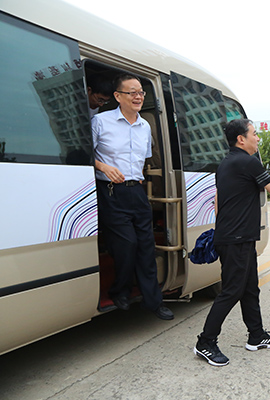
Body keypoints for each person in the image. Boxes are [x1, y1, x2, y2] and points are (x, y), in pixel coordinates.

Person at [194, 118, 270, 367]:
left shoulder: (227, 162)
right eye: (254, 134)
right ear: (241, 139)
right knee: (232, 290)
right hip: (235, 239)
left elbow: (218, 200)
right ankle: (205, 342)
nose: (258, 138)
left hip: (237, 237)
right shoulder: (246, 161)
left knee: (250, 288)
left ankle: (256, 335)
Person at [92, 73, 173, 320]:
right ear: (118, 96)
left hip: (137, 191)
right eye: (132, 92)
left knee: (146, 247)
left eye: (141, 92)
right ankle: (120, 291)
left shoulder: (145, 125)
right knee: (126, 245)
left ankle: (153, 301)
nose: (138, 97)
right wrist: (104, 167)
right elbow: (82, 155)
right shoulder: (100, 122)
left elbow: (145, 158)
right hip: (111, 193)